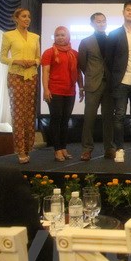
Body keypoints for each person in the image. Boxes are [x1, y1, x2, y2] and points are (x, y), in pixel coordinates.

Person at [105, 1, 131, 163]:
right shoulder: (114, 34)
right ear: (123, 12)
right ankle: (119, 149)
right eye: (128, 10)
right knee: (119, 116)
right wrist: (115, 78)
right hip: (121, 81)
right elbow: (109, 60)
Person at [0, 7, 41, 164]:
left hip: (32, 76)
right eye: (23, 16)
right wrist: (16, 61)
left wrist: (33, 62)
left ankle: (29, 147)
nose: (27, 19)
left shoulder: (35, 37)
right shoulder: (8, 35)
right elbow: (2, 58)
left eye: (28, 16)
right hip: (16, 76)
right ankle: (20, 150)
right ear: (16, 18)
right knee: (17, 113)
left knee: (29, 113)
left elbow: (39, 58)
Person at [41, 26, 83, 161]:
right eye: (57, 35)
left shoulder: (74, 53)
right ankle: (57, 149)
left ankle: (63, 148)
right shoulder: (49, 52)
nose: (60, 37)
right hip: (54, 91)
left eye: (62, 35)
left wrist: (81, 88)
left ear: (68, 36)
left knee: (65, 120)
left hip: (70, 91)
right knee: (56, 119)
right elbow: (45, 72)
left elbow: (78, 73)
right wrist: (46, 89)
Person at [78, 12, 116, 161]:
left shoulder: (111, 40)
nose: (101, 24)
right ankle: (87, 149)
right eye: (98, 21)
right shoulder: (85, 42)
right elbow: (82, 64)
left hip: (109, 84)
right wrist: (92, 75)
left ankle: (109, 148)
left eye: (103, 21)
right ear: (92, 24)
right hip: (93, 84)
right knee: (89, 118)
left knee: (109, 118)